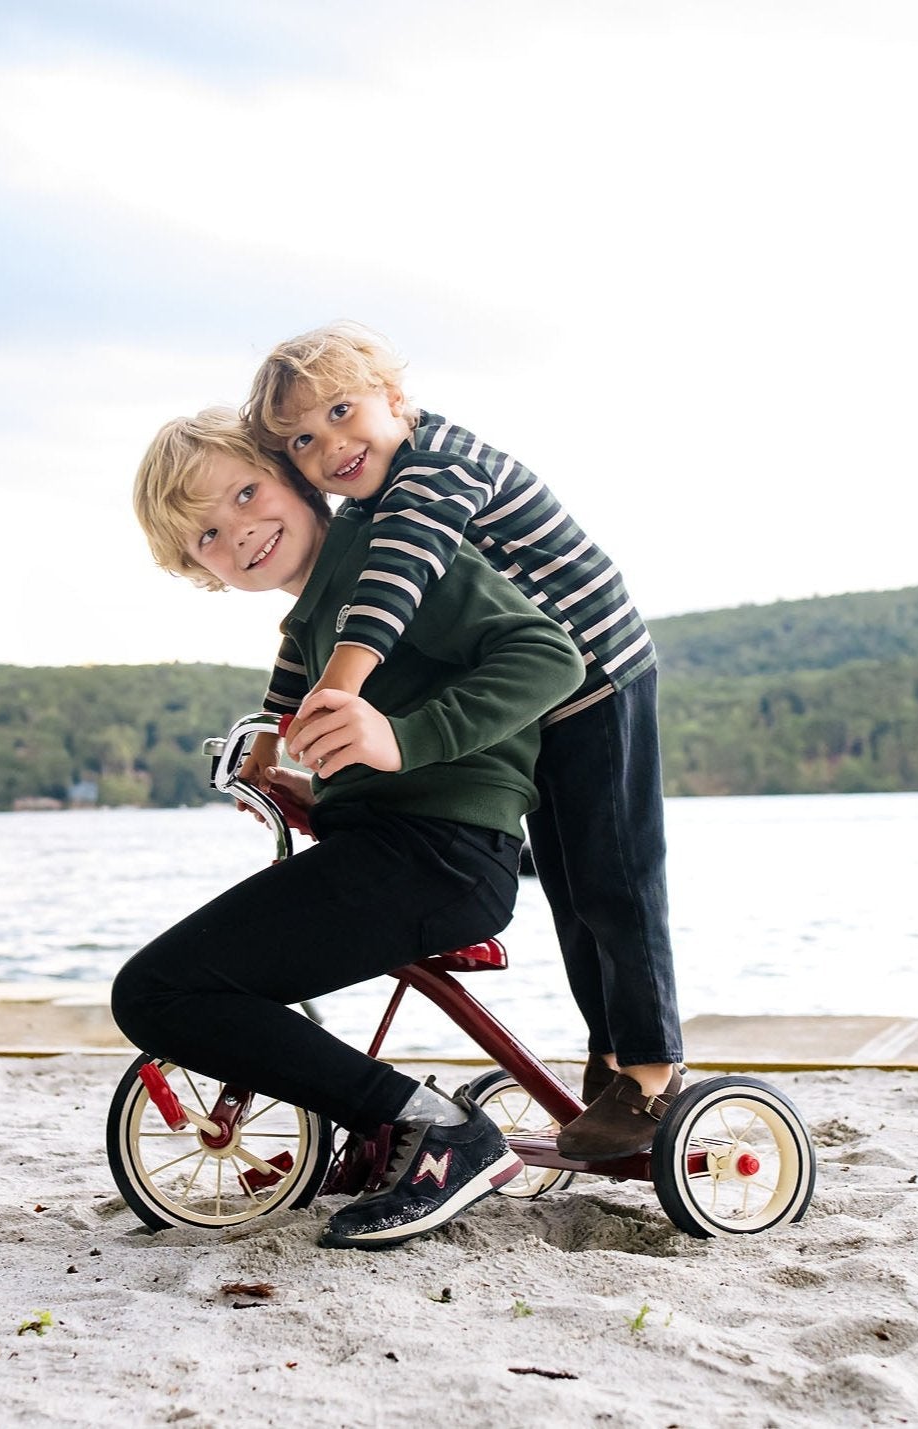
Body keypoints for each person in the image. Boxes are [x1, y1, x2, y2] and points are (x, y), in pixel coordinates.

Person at [114, 407, 584, 1249]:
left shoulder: (392, 560)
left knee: (157, 990)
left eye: (247, 492)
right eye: (208, 536)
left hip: (444, 851)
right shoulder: (311, 621)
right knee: (175, 983)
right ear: (202, 570)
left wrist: (406, 740)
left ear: (299, 478)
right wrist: (296, 779)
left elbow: (548, 654)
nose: (241, 532)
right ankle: (399, 1123)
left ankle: (435, 1128)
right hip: (393, 846)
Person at [241, 323, 685, 1160]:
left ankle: (653, 1071)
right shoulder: (368, 502)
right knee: (567, 884)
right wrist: (274, 726)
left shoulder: (438, 469)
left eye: (343, 412)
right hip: (525, 701)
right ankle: (609, 1057)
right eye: (303, 438)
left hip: (596, 673)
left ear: (396, 400)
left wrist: (340, 687)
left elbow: (394, 580)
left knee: (614, 874)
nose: (331, 444)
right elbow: (316, 615)